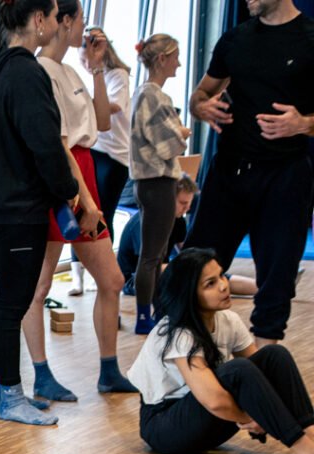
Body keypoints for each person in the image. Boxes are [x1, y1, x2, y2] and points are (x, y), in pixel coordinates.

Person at [0, 0, 79, 425]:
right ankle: (10, 396)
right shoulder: (25, 73)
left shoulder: (0, 70)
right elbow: (45, 145)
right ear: (38, 20)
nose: (55, 23)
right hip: (18, 206)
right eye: (52, 15)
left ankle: (5, 392)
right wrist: (68, 191)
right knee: (10, 307)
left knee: (9, 304)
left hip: (5, 202)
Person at [25, 0, 137, 403]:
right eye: (81, 22)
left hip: (84, 170)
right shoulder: (41, 71)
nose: (85, 31)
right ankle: (41, 374)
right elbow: (60, 144)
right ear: (65, 22)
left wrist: (98, 70)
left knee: (112, 280)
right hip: (64, 178)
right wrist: (84, 199)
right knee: (39, 286)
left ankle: (109, 371)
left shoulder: (71, 71)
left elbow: (102, 122)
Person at [184, 0, 314, 346]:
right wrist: (202, 107)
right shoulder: (234, 39)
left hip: (285, 177)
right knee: (193, 268)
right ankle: (187, 360)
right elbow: (200, 94)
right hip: (229, 173)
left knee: (276, 282)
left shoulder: (309, 39)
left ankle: (264, 365)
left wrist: (303, 123)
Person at [127, 248, 314, 454]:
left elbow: (262, 374)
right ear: (190, 294)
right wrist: (251, 418)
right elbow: (214, 400)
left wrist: (267, 413)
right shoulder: (178, 333)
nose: (224, 286)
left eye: (222, 276)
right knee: (237, 369)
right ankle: (306, 453)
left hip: (208, 420)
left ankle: (311, 434)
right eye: (210, 284)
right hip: (165, 427)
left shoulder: (228, 320)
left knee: (275, 355)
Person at [129, 33, 191, 334]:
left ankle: (154, 311)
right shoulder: (153, 96)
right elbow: (170, 145)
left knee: (155, 254)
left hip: (150, 183)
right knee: (152, 255)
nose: (179, 63)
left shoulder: (145, 94)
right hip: (157, 182)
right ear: (163, 59)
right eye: (175, 57)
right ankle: (145, 316)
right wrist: (181, 133)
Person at [69, 25, 133, 296]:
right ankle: (77, 278)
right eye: (82, 60)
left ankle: (101, 272)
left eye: (88, 59)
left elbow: (110, 109)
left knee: (103, 212)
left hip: (115, 155)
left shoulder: (117, 75)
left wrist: (88, 101)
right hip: (93, 150)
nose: (86, 64)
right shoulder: (84, 79)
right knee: (82, 210)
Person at [118, 175, 259, 296]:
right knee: (194, 275)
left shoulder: (177, 219)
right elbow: (148, 267)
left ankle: (262, 288)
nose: (187, 208)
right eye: (183, 203)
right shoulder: (146, 222)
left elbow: (185, 251)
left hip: (159, 271)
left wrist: (202, 264)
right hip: (135, 279)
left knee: (209, 274)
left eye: (189, 204)